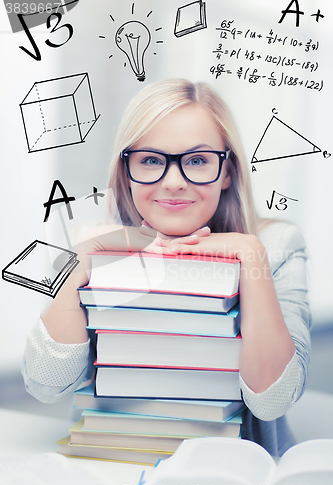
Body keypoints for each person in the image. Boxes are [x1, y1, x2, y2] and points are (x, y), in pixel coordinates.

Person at [22, 79, 311, 456]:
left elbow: (272, 401)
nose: (173, 182)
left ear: (226, 171)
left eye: (197, 160)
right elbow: (46, 385)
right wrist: (84, 258)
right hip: (114, 466)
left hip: (234, 476)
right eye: (152, 160)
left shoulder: (275, 246)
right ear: (126, 171)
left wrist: (250, 255)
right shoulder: (94, 241)